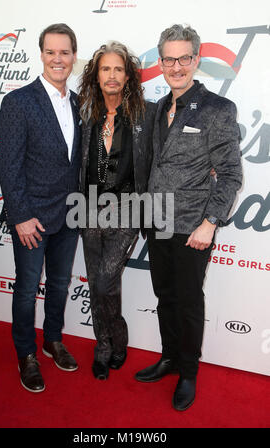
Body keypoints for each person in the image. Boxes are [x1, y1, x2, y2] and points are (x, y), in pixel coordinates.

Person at [135, 24, 243, 410]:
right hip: (157, 221)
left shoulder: (217, 109)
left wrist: (210, 222)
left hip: (192, 227)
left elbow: (230, 174)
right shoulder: (160, 106)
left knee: (188, 301)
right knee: (164, 296)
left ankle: (188, 373)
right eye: (169, 59)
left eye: (184, 58)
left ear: (196, 60)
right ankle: (168, 357)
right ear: (160, 62)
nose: (176, 66)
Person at [0, 23, 81, 393]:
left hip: (69, 215)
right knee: (28, 290)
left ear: (74, 56)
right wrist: (20, 216)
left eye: (64, 52)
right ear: (41, 54)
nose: (58, 59)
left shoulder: (78, 102)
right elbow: (8, 165)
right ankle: (26, 354)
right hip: (31, 218)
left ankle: (52, 339)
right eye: (51, 52)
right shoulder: (18, 102)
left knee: (60, 284)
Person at [77, 42, 156, 380]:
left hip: (126, 210)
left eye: (118, 69)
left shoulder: (145, 114)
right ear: (97, 75)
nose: (111, 75)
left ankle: (118, 340)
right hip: (87, 208)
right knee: (97, 283)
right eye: (105, 69)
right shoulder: (84, 113)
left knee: (107, 279)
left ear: (128, 77)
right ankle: (104, 347)